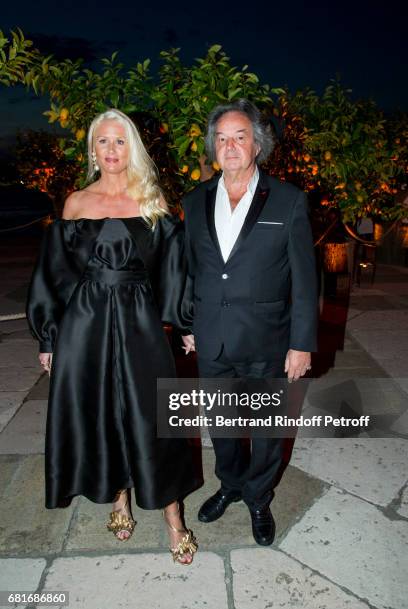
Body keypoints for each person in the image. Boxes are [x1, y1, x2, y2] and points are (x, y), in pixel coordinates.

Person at [26, 108, 200, 564]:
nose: (111, 151)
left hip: (140, 321)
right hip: (86, 323)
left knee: (156, 416)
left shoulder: (153, 202)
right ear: (92, 149)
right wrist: (49, 338)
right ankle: (120, 499)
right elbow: (55, 276)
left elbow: (174, 270)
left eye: (120, 141)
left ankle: (173, 517)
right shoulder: (75, 203)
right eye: (102, 142)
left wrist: (184, 324)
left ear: (133, 148)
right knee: (102, 410)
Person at [182, 99, 317, 546]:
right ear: (213, 147)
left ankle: (259, 497)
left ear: (257, 143)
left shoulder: (288, 199)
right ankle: (231, 485)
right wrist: (186, 322)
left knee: (265, 431)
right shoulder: (194, 200)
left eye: (240, 136)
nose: (230, 145)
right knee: (220, 424)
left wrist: (302, 343)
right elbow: (190, 268)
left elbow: (304, 277)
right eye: (221, 138)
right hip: (212, 338)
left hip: (269, 341)